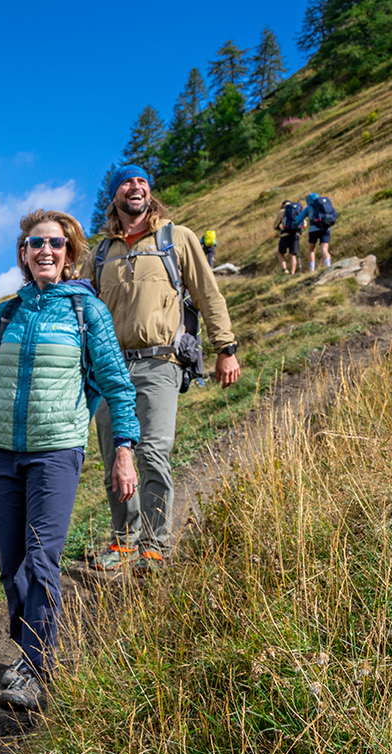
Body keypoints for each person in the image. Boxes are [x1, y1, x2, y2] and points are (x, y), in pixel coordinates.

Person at [0, 210, 140, 712]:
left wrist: (124, 451)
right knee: (10, 562)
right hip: (0, 453)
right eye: (34, 243)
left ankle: (36, 669)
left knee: (40, 558)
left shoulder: (85, 312)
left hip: (56, 452)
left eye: (54, 243)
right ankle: (32, 651)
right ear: (24, 254)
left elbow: (116, 383)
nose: (44, 250)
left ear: (69, 253)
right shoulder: (6, 314)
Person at [89, 165, 239, 574]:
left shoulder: (177, 238)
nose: (135, 187)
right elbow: (80, 309)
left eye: (141, 181)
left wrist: (225, 346)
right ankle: (123, 541)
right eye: (126, 181)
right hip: (110, 370)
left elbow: (208, 293)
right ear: (114, 195)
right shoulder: (100, 253)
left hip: (160, 361)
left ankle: (154, 544)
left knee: (153, 451)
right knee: (115, 458)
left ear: (149, 191)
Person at [300, 191, 335, 271]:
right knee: (324, 249)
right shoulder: (325, 206)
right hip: (326, 228)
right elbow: (335, 214)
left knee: (311, 250)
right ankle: (328, 266)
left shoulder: (308, 208)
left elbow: (298, 219)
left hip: (313, 230)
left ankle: (312, 270)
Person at [273, 199, 303, 274]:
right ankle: (292, 273)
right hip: (296, 234)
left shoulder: (282, 212)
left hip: (285, 234)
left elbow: (275, 225)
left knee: (281, 253)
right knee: (293, 254)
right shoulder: (298, 210)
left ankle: (285, 270)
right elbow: (304, 224)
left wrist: (280, 229)